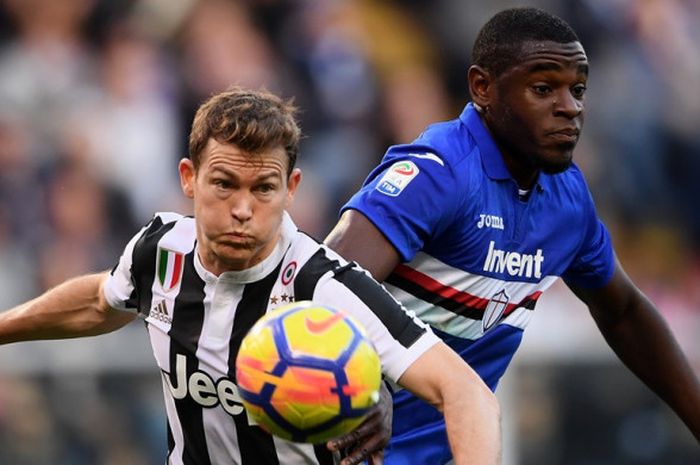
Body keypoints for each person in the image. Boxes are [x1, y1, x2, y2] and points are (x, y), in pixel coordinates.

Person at [0, 87, 501, 465]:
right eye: (223, 184)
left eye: (264, 187)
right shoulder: (160, 250)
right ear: (188, 178)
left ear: (291, 188)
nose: (242, 209)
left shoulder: (325, 287)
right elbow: (100, 301)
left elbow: (466, 393)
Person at [325, 7, 700, 465]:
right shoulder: (438, 173)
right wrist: (362, 387)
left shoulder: (567, 200)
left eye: (577, 89)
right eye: (543, 89)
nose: (570, 107)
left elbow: (623, 312)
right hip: (342, 453)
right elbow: (325, 285)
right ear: (483, 87)